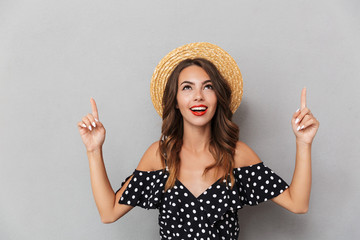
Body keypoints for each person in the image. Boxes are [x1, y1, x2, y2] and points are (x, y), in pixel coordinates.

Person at [77, 42, 320, 239]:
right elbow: (108, 212)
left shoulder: (237, 155)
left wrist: (303, 142)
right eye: (187, 88)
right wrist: (93, 149)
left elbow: (298, 204)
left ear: (218, 97)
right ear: (175, 100)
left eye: (208, 87)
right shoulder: (159, 155)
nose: (198, 97)